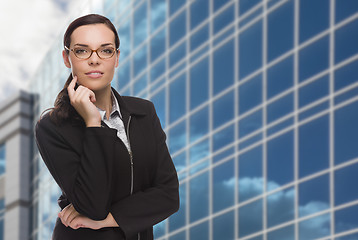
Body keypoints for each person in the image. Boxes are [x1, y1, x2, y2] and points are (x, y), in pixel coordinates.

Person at [35, 14, 179, 240]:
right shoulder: (53, 126)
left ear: (117, 57)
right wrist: (93, 124)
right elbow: (93, 205)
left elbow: (169, 195)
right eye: (82, 50)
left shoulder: (144, 112)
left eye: (106, 50)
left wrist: (110, 219)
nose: (94, 60)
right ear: (66, 58)